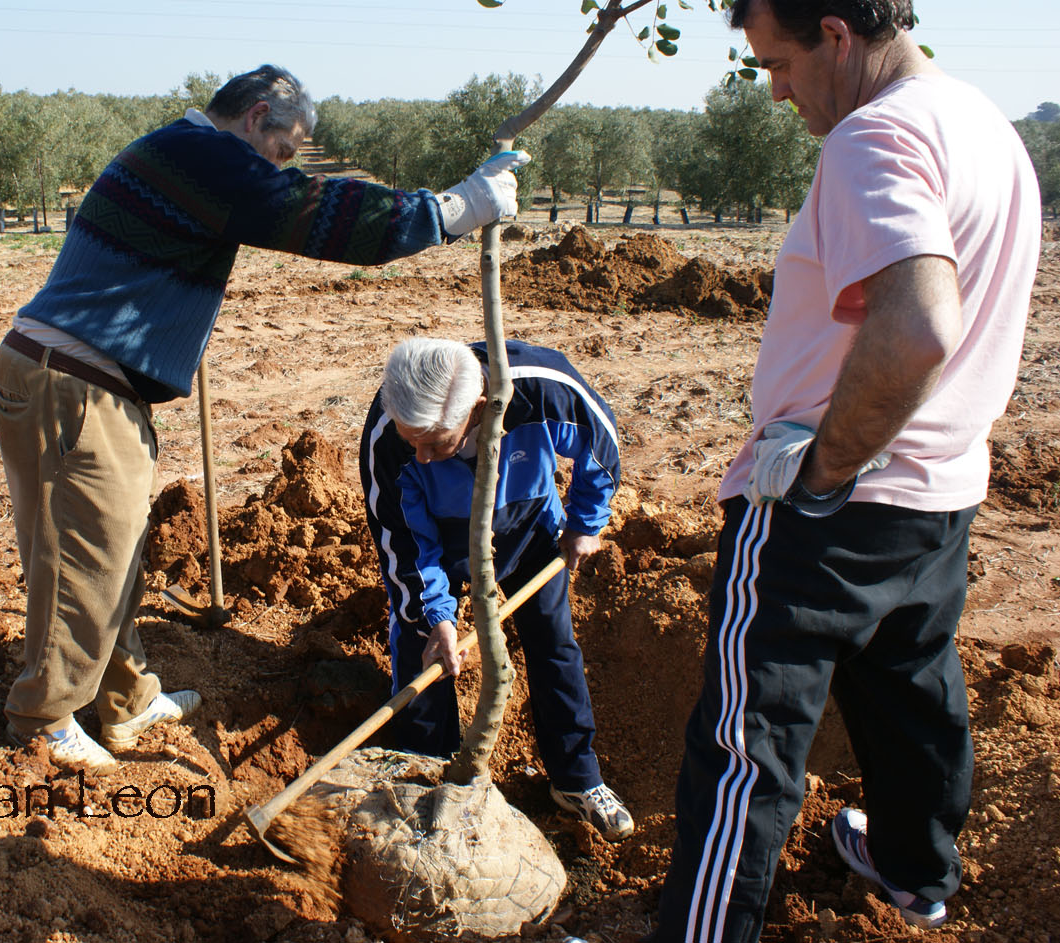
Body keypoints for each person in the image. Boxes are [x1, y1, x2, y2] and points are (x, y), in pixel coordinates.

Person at [0, 65, 532, 775]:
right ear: (254, 117)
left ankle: (125, 699)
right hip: (74, 387)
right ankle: (42, 719)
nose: (287, 165)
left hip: (84, 380)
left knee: (116, 548)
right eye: (285, 149)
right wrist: (459, 207)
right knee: (82, 558)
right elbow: (325, 216)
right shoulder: (209, 158)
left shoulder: (177, 152)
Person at [647, 1, 1042, 939]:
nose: (776, 89)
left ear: (834, 32)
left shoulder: (875, 137)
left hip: (834, 503)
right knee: (909, 692)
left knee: (748, 746)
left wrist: (819, 471)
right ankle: (914, 875)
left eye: (778, 64)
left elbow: (917, 327)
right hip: (937, 494)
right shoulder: (986, 124)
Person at [359, 337, 634, 841]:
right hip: (436, 542)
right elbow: (403, 548)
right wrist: (438, 619)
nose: (420, 456)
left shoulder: (544, 390)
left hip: (527, 524)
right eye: (411, 441)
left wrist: (584, 523)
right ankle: (426, 783)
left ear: (482, 410)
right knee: (422, 646)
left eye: (435, 444)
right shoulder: (388, 438)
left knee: (553, 642)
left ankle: (576, 779)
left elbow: (603, 442)